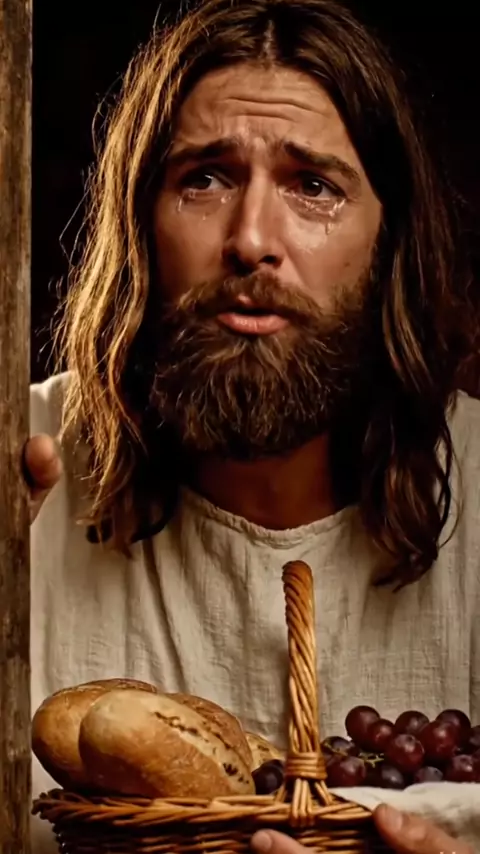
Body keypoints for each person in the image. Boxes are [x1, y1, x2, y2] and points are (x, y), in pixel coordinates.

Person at [27, 0, 479, 852]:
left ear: (391, 242)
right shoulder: (25, 460)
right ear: (139, 220)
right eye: (205, 178)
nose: (251, 240)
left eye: (313, 186)